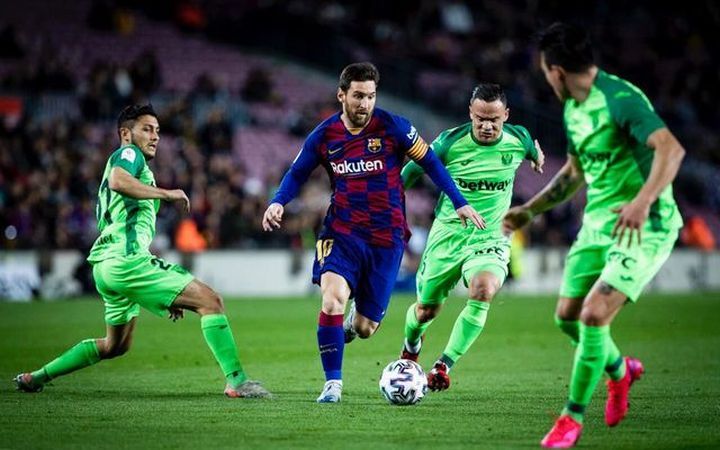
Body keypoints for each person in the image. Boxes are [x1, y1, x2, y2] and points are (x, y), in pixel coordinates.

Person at [503, 23, 685, 448]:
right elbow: (575, 173)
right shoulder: (573, 109)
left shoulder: (621, 100)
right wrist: (530, 210)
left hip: (644, 223)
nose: (546, 80)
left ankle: (571, 419)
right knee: (566, 317)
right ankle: (620, 371)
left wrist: (642, 202)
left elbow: (670, 148)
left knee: (593, 314)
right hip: (599, 223)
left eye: (546, 73)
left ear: (557, 70)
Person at [261, 62, 484, 403]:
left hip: (386, 238)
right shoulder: (324, 136)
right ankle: (333, 384)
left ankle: (350, 327)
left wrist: (458, 201)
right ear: (342, 95)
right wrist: (278, 202)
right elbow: (296, 173)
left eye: (370, 96)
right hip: (342, 232)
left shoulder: (393, 127)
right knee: (333, 298)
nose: (365, 103)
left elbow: (431, 163)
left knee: (366, 328)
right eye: (358, 96)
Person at [14, 104, 270, 399]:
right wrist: (167, 192)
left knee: (115, 346)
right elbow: (118, 181)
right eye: (147, 129)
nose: (155, 136)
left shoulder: (137, 167)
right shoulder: (128, 154)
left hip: (107, 265)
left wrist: (167, 291)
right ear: (126, 133)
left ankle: (36, 377)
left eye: (158, 131)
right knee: (211, 301)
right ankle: (237, 381)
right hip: (126, 261)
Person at [399, 83, 544, 391]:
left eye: (494, 119)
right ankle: (411, 349)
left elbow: (532, 148)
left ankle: (442, 366)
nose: (487, 125)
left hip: (490, 237)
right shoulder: (449, 142)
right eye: (480, 118)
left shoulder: (519, 138)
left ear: (506, 115)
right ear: (470, 113)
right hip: (447, 236)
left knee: (483, 289)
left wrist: (536, 157)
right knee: (426, 310)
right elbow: (409, 173)